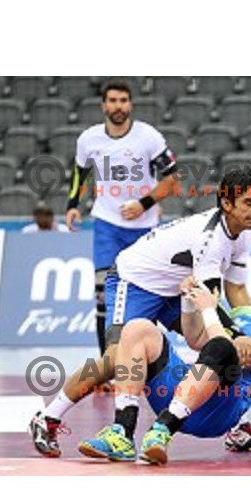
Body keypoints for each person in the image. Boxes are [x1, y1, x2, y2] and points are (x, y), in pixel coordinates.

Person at [29, 168, 251, 456]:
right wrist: (237, 334)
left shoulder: (243, 233)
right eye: (248, 203)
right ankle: (49, 418)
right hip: (134, 281)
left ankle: (235, 424)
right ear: (227, 204)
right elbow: (209, 300)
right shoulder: (211, 238)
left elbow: (237, 293)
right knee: (114, 359)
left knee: (218, 347)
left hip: (175, 288)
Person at [78, 283, 251, 463]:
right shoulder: (244, 314)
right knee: (137, 329)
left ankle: (162, 430)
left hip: (217, 410)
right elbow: (196, 339)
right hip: (184, 390)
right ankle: (122, 432)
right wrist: (189, 302)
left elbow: (238, 355)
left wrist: (209, 310)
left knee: (223, 347)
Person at [65, 79, 180, 355]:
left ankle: (152, 358)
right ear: (104, 105)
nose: (119, 106)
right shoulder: (89, 139)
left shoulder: (148, 137)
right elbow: (81, 173)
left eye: (123, 101)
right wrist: (73, 204)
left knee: (153, 296)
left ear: (131, 104)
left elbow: (173, 177)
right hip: (108, 226)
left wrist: (144, 203)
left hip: (145, 228)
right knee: (104, 296)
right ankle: (109, 363)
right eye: (113, 101)